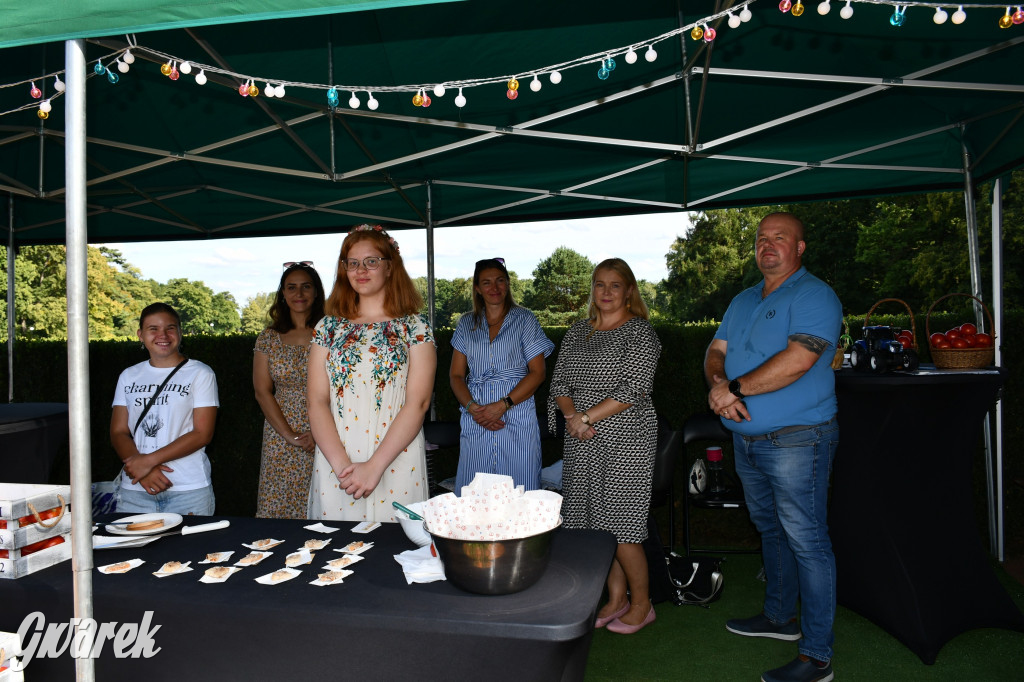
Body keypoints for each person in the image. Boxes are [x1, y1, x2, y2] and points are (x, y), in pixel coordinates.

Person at [704, 212, 841, 682]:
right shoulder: (742, 299)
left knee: (808, 541)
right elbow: (715, 351)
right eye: (762, 238)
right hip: (747, 443)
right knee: (769, 528)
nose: (768, 245)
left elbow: (799, 359)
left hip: (799, 440)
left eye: (780, 238)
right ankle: (779, 617)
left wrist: (733, 391)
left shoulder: (815, 295)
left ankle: (817, 656)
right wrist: (720, 382)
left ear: (800, 248)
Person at [548, 258, 661, 635]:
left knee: (623, 525)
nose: (607, 292)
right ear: (592, 290)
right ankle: (617, 600)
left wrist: (587, 418)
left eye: (615, 285)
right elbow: (560, 382)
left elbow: (634, 387)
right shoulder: (577, 331)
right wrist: (571, 419)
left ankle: (643, 605)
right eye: (600, 285)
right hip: (581, 439)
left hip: (626, 436)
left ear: (629, 290)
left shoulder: (640, 333)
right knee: (595, 526)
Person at [306, 224, 436, 522]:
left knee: (396, 556)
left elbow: (417, 403)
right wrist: (345, 469)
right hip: (337, 461)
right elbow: (316, 401)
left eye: (371, 261)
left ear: (390, 267)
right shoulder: (327, 327)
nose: (360, 270)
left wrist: (374, 466)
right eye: (353, 263)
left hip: (396, 459)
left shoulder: (414, 327)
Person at [449, 258, 554, 492]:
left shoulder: (525, 319)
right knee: (473, 491)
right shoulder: (466, 323)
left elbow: (538, 373)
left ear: (507, 284)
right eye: (486, 283)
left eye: (500, 281)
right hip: (476, 417)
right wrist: (472, 408)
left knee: (521, 489)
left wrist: (503, 404)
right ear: (477, 288)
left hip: (516, 414)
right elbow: (456, 375)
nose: (494, 288)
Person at [110, 302, 219, 515]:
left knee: (191, 550)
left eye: (170, 328)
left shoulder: (200, 373)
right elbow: (118, 431)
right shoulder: (128, 375)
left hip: (188, 490)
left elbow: (202, 434)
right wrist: (142, 471)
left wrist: (148, 462)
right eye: (153, 329)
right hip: (135, 489)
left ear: (180, 332)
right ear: (141, 335)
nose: (163, 335)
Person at [253, 261, 326, 518]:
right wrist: (290, 435)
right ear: (282, 294)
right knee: (278, 511)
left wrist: (320, 434)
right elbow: (262, 391)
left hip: (329, 431)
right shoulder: (268, 338)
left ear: (316, 291)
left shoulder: (332, 334)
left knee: (324, 506)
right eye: (291, 287)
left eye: (306, 286)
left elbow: (344, 390)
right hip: (280, 434)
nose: (299, 293)